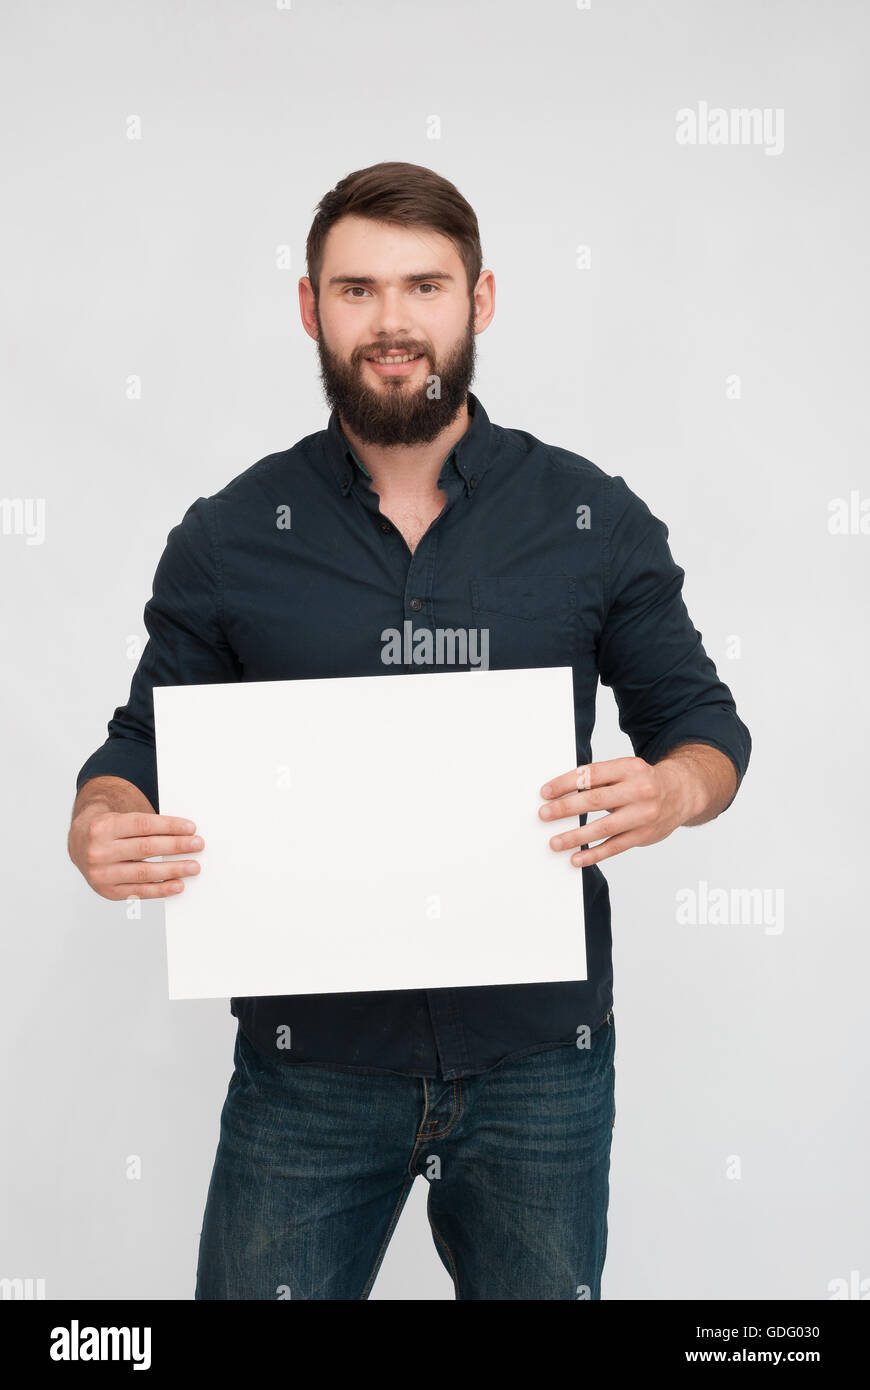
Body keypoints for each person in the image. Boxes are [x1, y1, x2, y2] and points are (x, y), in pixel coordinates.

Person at [68, 160, 751, 1300]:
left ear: (479, 302)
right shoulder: (231, 536)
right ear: (310, 308)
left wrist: (674, 790)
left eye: (425, 286)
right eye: (358, 290)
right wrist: (104, 812)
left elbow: (705, 727)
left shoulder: (590, 518)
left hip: (542, 1063)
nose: (393, 322)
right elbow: (142, 741)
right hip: (310, 1072)